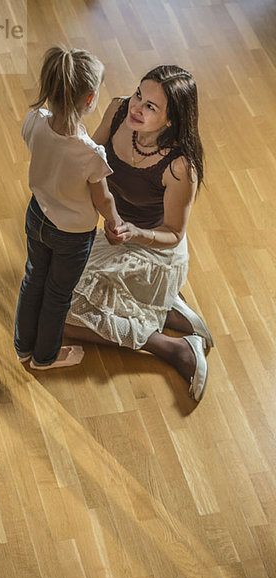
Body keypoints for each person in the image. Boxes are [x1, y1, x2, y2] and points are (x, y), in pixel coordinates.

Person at [64, 65, 213, 401]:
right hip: (115, 233)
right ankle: (165, 310)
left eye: (150, 107)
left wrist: (134, 232)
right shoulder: (118, 110)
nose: (136, 107)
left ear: (172, 119)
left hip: (152, 247)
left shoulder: (179, 167)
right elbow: (88, 158)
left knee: (62, 315)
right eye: (138, 95)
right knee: (55, 298)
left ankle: (174, 348)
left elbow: (173, 233)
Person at [14, 46, 123, 370]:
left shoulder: (35, 120)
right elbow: (103, 199)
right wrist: (114, 221)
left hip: (37, 216)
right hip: (72, 235)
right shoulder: (90, 154)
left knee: (33, 277)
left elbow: (41, 147)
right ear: (89, 100)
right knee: (58, 293)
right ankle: (45, 357)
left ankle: (23, 346)